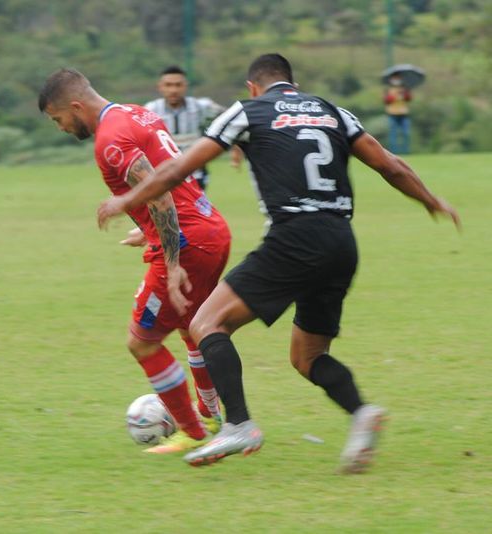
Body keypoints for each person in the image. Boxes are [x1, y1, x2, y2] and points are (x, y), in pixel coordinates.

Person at [97, 54, 460, 472]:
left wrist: (128, 198)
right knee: (308, 356)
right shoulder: (331, 111)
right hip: (341, 242)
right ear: (292, 83)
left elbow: (179, 167)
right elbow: (389, 165)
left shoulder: (248, 110)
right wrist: (431, 200)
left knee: (206, 324)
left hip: (294, 238)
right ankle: (362, 413)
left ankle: (238, 425)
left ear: (253, 86)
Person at [38, 68, 232, 454]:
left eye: (58, 119)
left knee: (142, 342)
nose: (60, 128)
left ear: (76, 106)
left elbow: (159, 196)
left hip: (187, 242)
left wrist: (173, 262)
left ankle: (191, 432)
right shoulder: (136, 113)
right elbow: (169, 174)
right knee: (193, 327)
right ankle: (211, 417)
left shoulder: (110, 140)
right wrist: (147, 229)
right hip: (210, 228)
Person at [145, 65, 242, 190]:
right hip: (162, 175)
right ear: (160, 87)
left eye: (178, 85)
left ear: (185, 86)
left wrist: (237, 145)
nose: (173, 90)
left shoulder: (201, 106)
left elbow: (234, 120)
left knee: (196, 209)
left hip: (195, 174)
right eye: (168, 85)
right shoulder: (150, 110)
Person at [384, 74, 412, 154]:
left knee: (406, 133)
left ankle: (406, 151)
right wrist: (395, 95)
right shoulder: (388, 89)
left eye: (398, 78)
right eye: (395, 78)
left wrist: (405, 92)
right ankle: (393, 152)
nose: (397, 80)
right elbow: (386, 100)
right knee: (393, 134)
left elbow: (409, 98)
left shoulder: (404, 89)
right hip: (392, 114)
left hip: (404, 114)